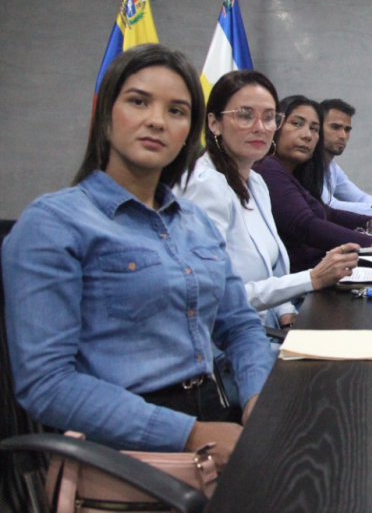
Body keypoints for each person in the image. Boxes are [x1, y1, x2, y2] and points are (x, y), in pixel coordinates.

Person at [2, 44, 272, 469]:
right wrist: (190, 435)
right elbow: (47, 384)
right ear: (106, 113)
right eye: (138, 102)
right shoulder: (53, 224)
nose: (157, 121)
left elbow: (239, 325)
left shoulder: (196, 222)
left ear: (190, 131)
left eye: (177, 111)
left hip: (220, 416)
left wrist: (257, 397)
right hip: (124, 449)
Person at [177, 72, 359, 331]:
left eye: (269, 117)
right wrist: (312, 278)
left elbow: (272, 269)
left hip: (266, 329)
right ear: (214, 123)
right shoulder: (204, 185)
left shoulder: (255, 182)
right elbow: (210, 297)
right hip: (225, 342)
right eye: (245, 115)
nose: (260, 127)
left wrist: (286, 313)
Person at [254, 95, 372, 273]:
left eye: (314, 129)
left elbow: (327, 212)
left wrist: (370, 222)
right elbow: (305, 224)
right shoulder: (267, 168)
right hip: (303, 280)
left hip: (320, 268)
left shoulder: (297, 171)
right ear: (275, 126)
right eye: (296, 124)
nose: (307, 135)